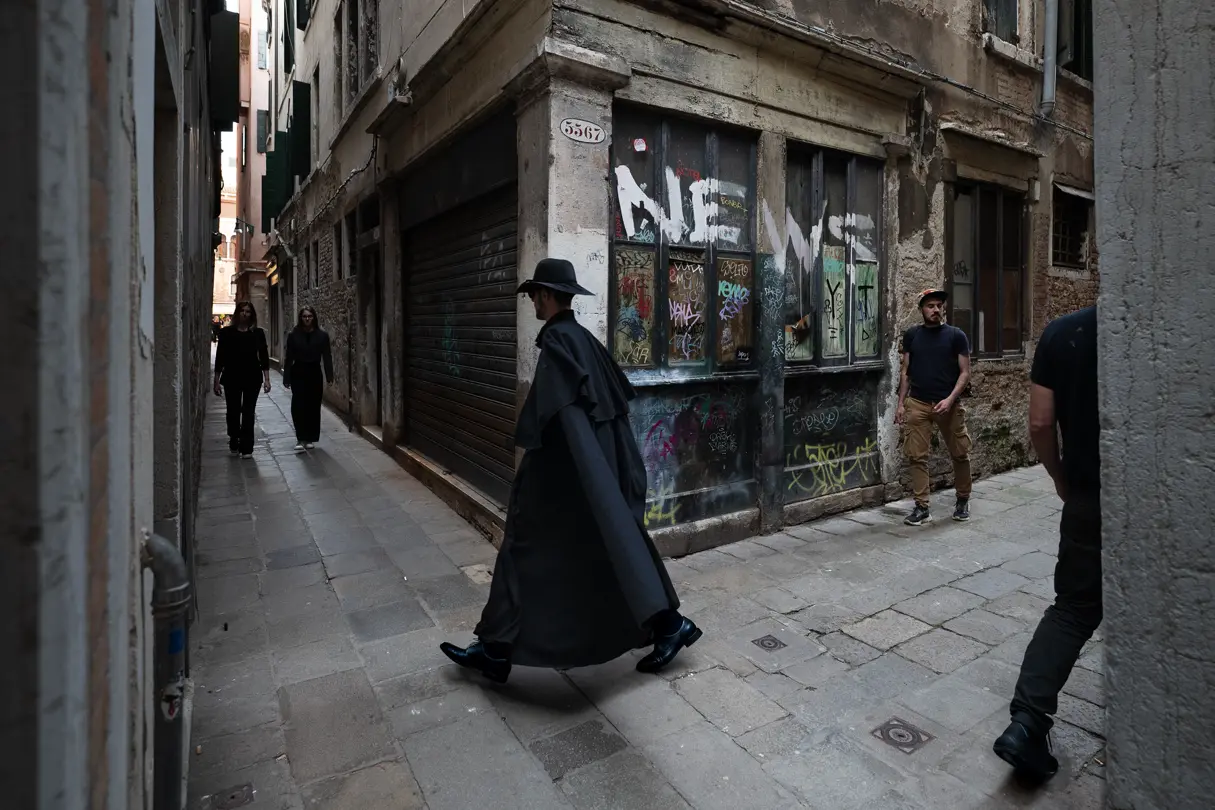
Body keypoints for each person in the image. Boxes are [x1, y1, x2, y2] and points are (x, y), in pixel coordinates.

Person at [440, 258, 699, 684]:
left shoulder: (560, 344)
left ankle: (495, 651)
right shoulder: (580, 338)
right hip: (585, 475)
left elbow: (573, 423)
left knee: (539, 551)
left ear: (545, 295)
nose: (533, 304)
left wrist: (594, 490)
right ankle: (667, 626)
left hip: (570, 482)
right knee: (601, 551)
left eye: (534, 296)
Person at [993, 305, 1100, 782]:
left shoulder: (1061, 332)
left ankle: (1027, 722)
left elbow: (1039, 424)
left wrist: (1060, 477)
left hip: (1088, 497)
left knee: (1073, 608)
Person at [895, 288, 974, 525]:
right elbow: (906, 372)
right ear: (921, 309)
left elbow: (965, 372)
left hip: (947, 404)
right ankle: (921, 507)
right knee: (916, 457)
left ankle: (962, 499)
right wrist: (900, 404)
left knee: (960, 453)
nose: (936, 310)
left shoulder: (956, 335)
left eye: (939, 305)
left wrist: (950, 399)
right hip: (917, 403)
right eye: (930, 306)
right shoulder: (912, 336)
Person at [213, 301, 271, 458]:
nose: (245, 314)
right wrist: (216, 380)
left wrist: (267, 379)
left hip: (252, 377)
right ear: (238, 313)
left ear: (252, 315)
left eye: (248, 311)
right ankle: (234, 436)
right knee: (233, 410)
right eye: (243, 311)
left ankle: (247, 447)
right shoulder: (226, 333)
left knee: (248, 412)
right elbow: (220, 357)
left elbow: (264, 357)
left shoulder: (258, 334)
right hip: (232, 376)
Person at [282, 306, 333, 452]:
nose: (307, 319)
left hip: (314, 372)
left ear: (314, 317)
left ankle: (310, 437)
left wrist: (330, 376)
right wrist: (287, 377)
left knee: (313, 406)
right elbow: (289, 357)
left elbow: (327, 356)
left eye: (310, 316)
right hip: (298, 372)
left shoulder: (322, 335)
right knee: (298, 406)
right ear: (301, 318)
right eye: (304, 316)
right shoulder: (294, 335)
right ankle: (300, 437)